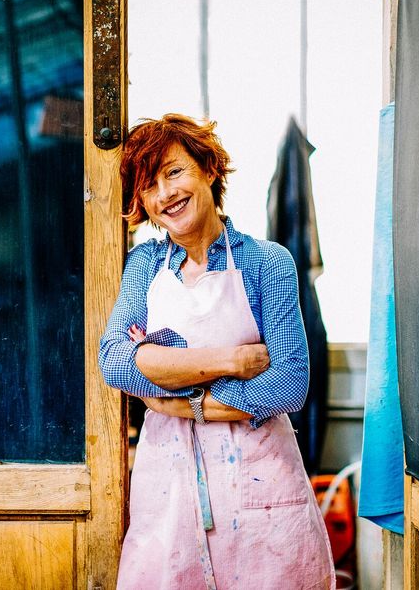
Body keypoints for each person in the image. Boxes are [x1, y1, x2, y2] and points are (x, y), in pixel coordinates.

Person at [99, 114, 335, 589]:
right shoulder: (144, 264)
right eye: (149, 186)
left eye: (174, 172)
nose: (165, 194)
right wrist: (233, 361)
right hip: (168, 480)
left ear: (208, 169)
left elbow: (288, 385)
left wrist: (173, 394)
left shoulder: (268, 262)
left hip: (259, 477)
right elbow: (116, 363)